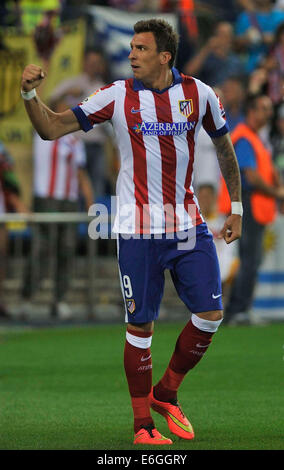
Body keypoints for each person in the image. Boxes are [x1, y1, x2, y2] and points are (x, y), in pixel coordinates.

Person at [21, 19, 242, 445]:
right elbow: (50, 128)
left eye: (141, 48)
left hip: (187, 224)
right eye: (131, 47)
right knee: (141, 328)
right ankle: (143, 426)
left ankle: (167, 392)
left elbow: (224, 147)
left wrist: (236, 207)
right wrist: (29, 93)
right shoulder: (117, 95)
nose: (131, 55)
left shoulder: (201, 95)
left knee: (211, 315)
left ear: (164, 56)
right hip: (137, 229)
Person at [21, 98, 93, 319]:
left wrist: (90, 202)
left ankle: (59, 299)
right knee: (42, 249)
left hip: (68, 201)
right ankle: (28, 297)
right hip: (46, 198)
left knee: (66, 250)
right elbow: (34, 107)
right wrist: (31, 89)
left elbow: (81, 175)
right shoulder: (41, 134)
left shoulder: (75, 142)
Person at [219, 94, 284, 325]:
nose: (269, 113)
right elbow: (251, 176)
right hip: (249, 204)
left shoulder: (254, 137)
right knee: (250, 260)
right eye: (264, 108)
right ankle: (238, 310)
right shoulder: (245, 138)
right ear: (252, 111)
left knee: (250, 260)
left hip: (254, 205)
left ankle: (239, 308)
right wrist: (277, 193)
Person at [50, 49, 113, 200]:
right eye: (90, 62)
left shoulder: (105, 87)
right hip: (77, 143)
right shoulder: (72, 83)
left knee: (97, 183)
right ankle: (78, 221)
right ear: (84, 63)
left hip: (97, 144)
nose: (93, 66)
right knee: (75, 185)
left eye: (96, 63)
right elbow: (51, 102)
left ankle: (94, 220)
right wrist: (67, 94)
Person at [0, 140, 28, 319]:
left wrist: (15, 202)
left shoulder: (1, 149)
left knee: (1, 257)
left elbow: (9, 179)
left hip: (0, 214)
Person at [184, 21, 245, 87]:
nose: (223, 39)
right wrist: (207, 48)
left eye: (226, 36)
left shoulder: (236, 62)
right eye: (220, 35)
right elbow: (188, 72)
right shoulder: (205, 56)